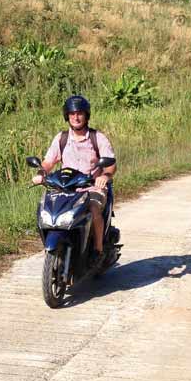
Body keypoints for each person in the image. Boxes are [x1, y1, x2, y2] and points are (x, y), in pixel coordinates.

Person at [34, 95, 116, 262]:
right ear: (67, 116)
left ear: (86, 116)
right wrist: (42, 173)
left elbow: (111, 164)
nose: (76, 117)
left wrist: (105, 176)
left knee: (93, 209)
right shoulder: (62, 138)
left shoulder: (97, 137)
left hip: (91, 188)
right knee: (47, 211)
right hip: (66, 188)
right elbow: (49, 161)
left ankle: (98, 250)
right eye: (72, 114)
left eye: (79, 113)